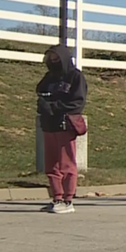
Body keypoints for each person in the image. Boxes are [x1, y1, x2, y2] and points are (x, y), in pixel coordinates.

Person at [36, 45, 87, 214]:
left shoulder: (75, 77)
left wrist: (55, 107)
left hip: (65, 123)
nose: (53, 61)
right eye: (50, 58)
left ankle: (68, 199)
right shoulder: (49, 78)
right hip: (49, 124)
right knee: (51, 164)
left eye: (56, 58)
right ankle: (56, 197)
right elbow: (40, 91)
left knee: (66, 163)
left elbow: (77, 102)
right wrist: (44, 104)